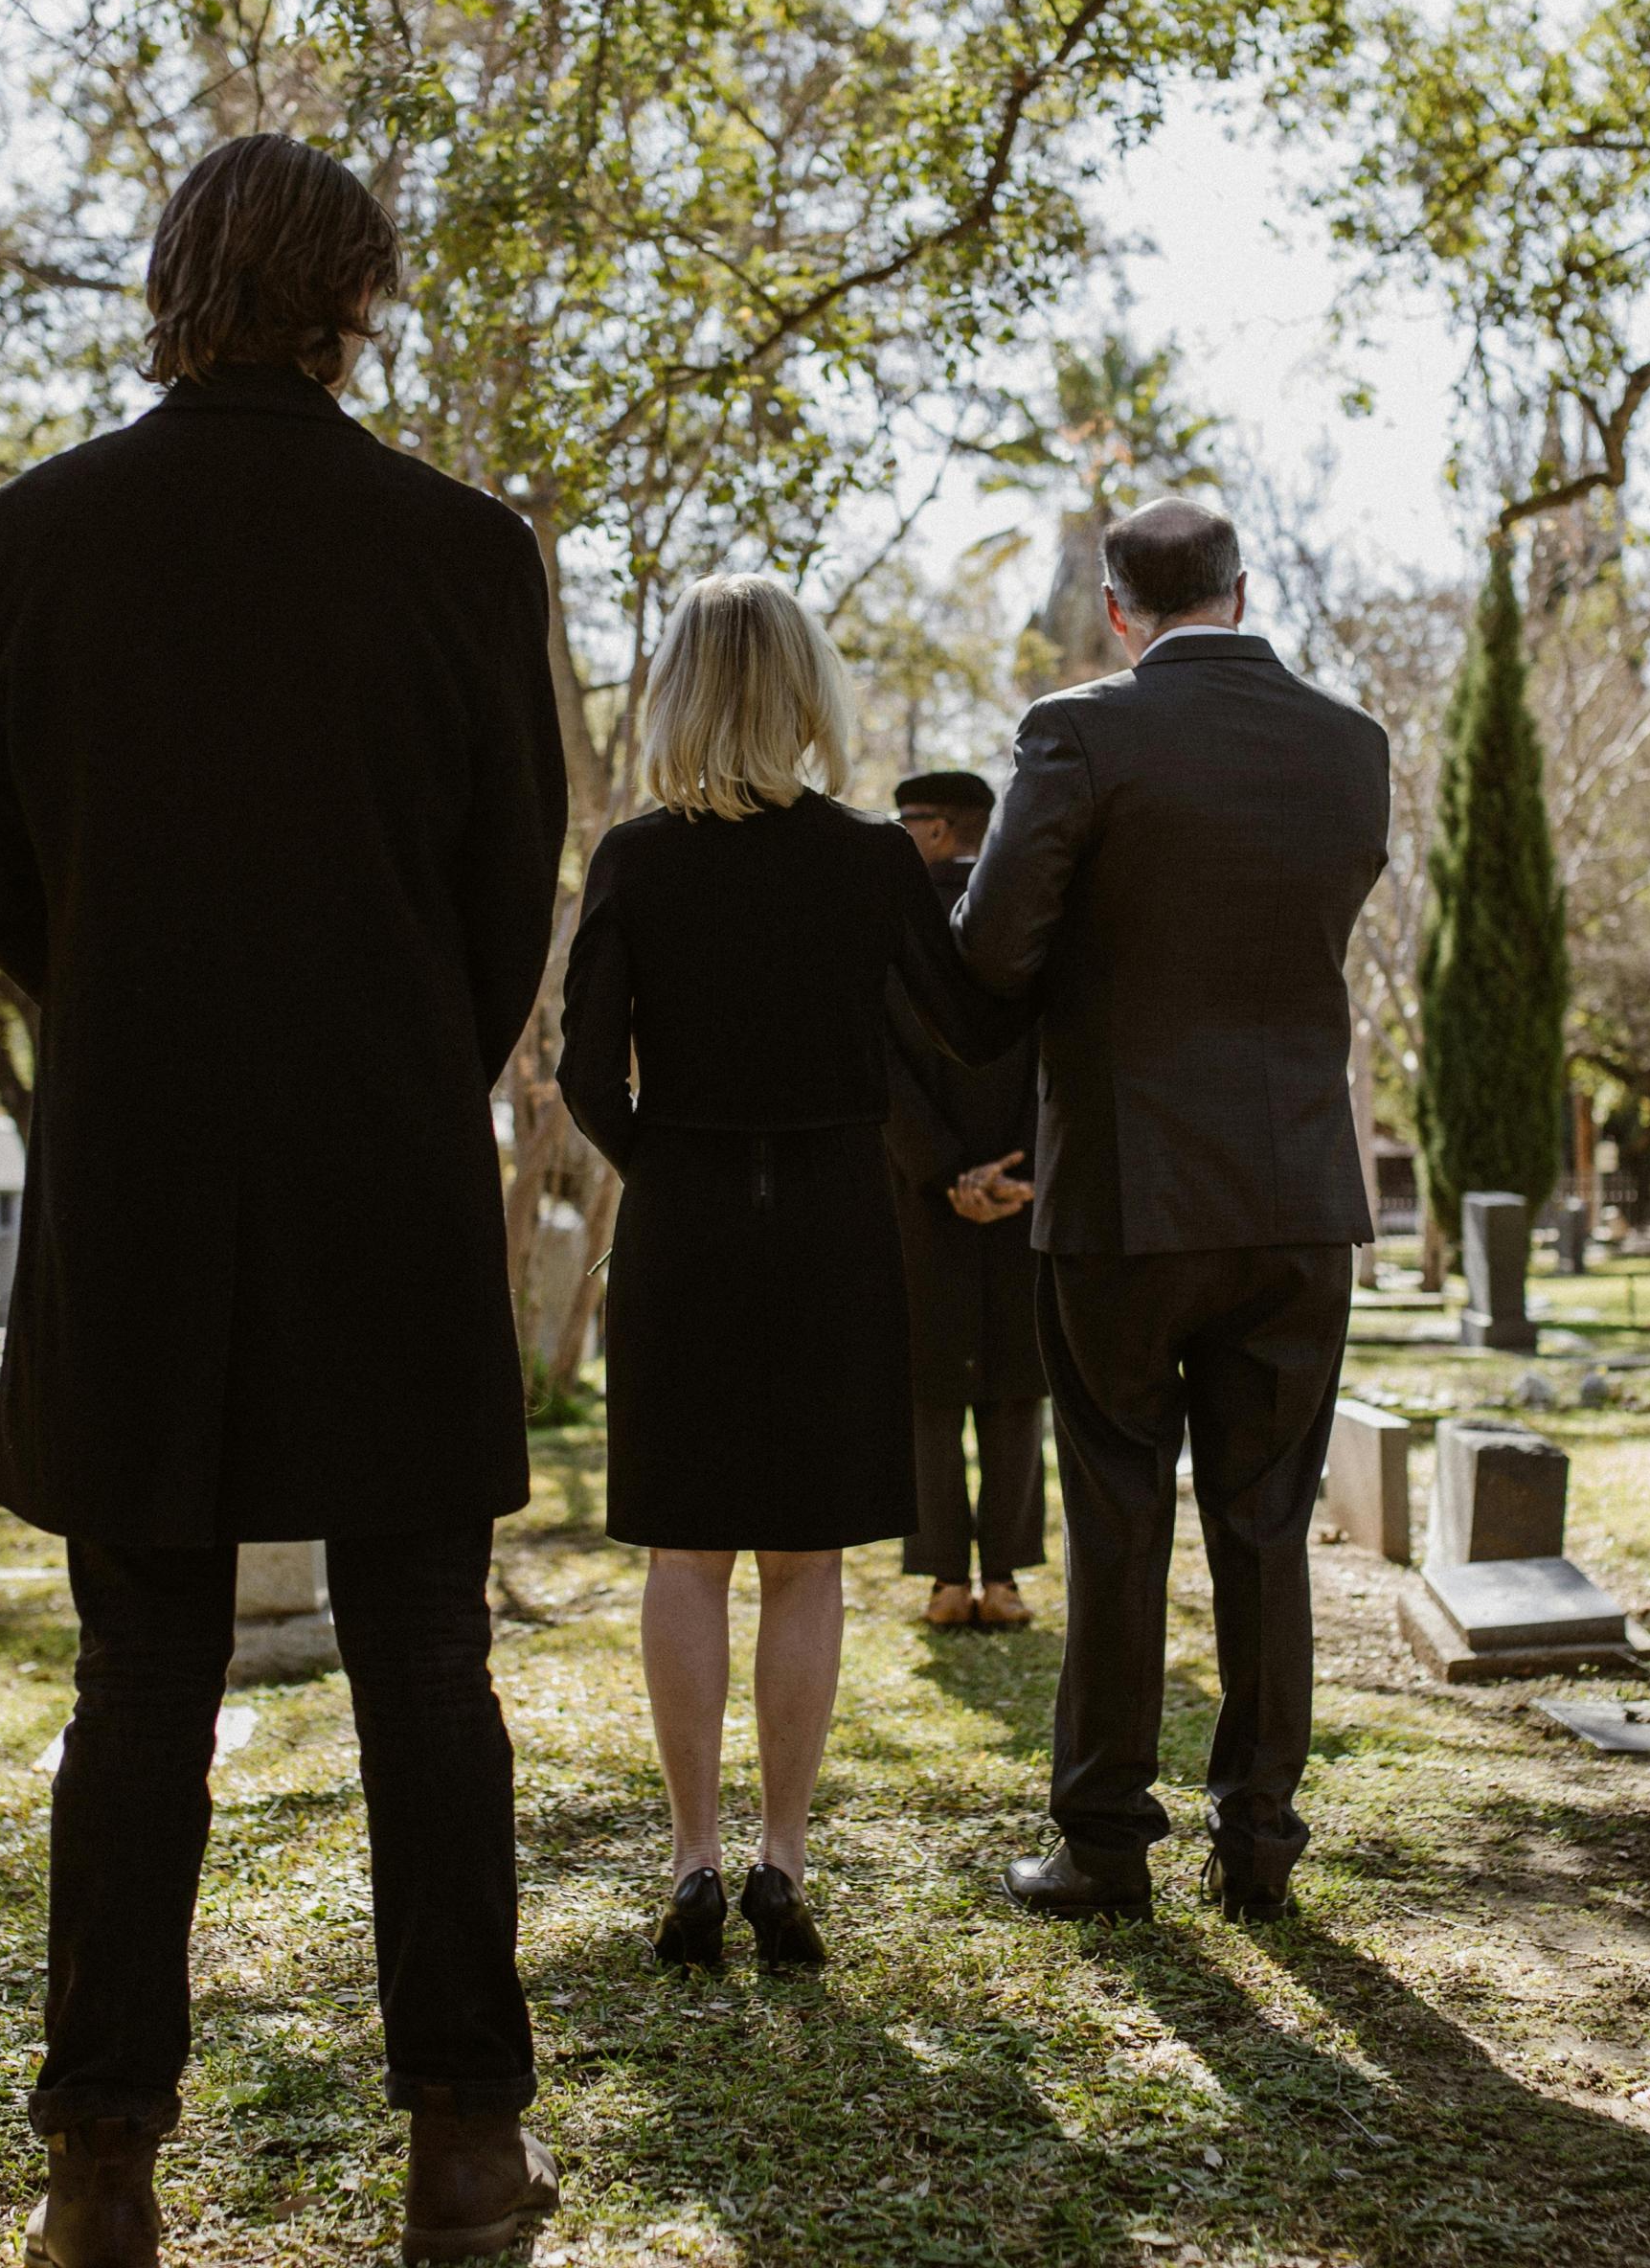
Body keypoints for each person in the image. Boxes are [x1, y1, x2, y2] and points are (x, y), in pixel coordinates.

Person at [0, 133, 566, 2268]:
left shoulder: (28, 538)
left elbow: (1, 880)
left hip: (131, 1164)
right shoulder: (468, 555)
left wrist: (133, 1023)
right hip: (382, 1161)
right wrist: (392, 1063)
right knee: (424, 1663)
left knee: (138, 1681)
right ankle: (467, 2144)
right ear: (356, 295)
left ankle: (98, 2170)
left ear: (170, 282)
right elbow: (507, 906)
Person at [558, 576, 1021, 1973]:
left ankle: (693, 1861)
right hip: (832, 1209)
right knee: (804, 1560)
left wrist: (671, 1168)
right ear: (808, 692)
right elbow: (964, 1025)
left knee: (688, 1555)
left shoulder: (635, 860)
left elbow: (586, 1073)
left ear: (679, 694)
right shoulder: (876, 862)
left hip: (688, 1208)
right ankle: (783, 1863)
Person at [954, 496, 1391, 1926]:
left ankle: (1103, 1844)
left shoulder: (1078, 731)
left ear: (1116, 609)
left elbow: (996, 949)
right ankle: (1259, 1843)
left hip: (1131, 1191)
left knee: (1120, 1514)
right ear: (1243, 591)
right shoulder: (1349, 745)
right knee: (1267, 1526)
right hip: (1298, 1190)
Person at [884, 768, 1049, 1629]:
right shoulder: (1031, 924)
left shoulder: (886, 928)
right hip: (1023, 1187)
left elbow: (882, 1069)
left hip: (922, 1192)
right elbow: (1055, 1052)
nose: (896, 832)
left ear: (943, 828)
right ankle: (1006, 1581)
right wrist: (1016, 1170)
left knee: (930, 1390)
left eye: (904, 819)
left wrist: (946, 1172)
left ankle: (945, 1580)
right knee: (1017, 1389)